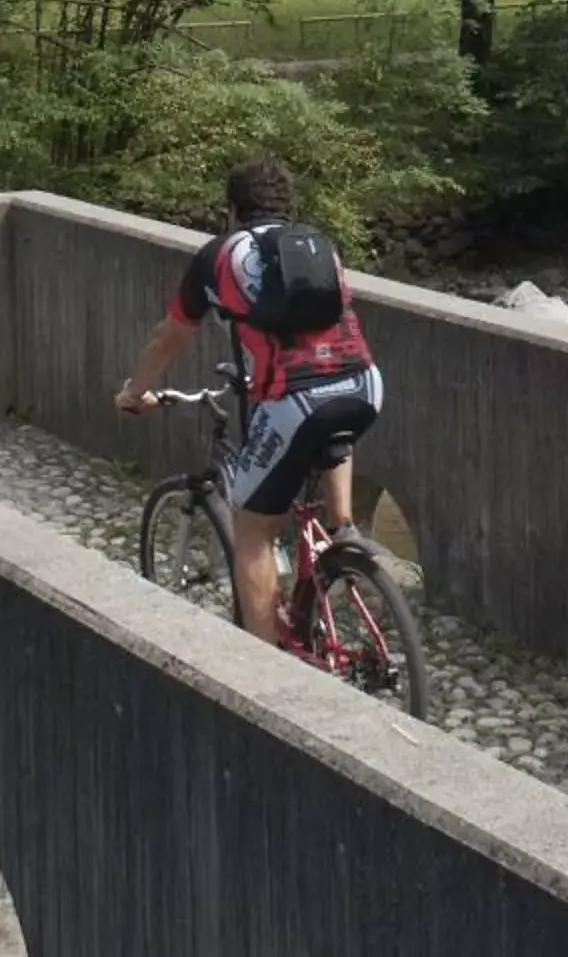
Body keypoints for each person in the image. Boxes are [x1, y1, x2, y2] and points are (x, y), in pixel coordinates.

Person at [116, 157, 383, 647]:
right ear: (289, 207)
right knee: (331, 423)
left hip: (295, 399)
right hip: (364, 384)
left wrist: (136, 391)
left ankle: (266, 664)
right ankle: (342, 527)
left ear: (232, 210)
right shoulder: (319, 246)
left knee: (254, 531)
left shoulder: (218, 255)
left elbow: (169, 338)